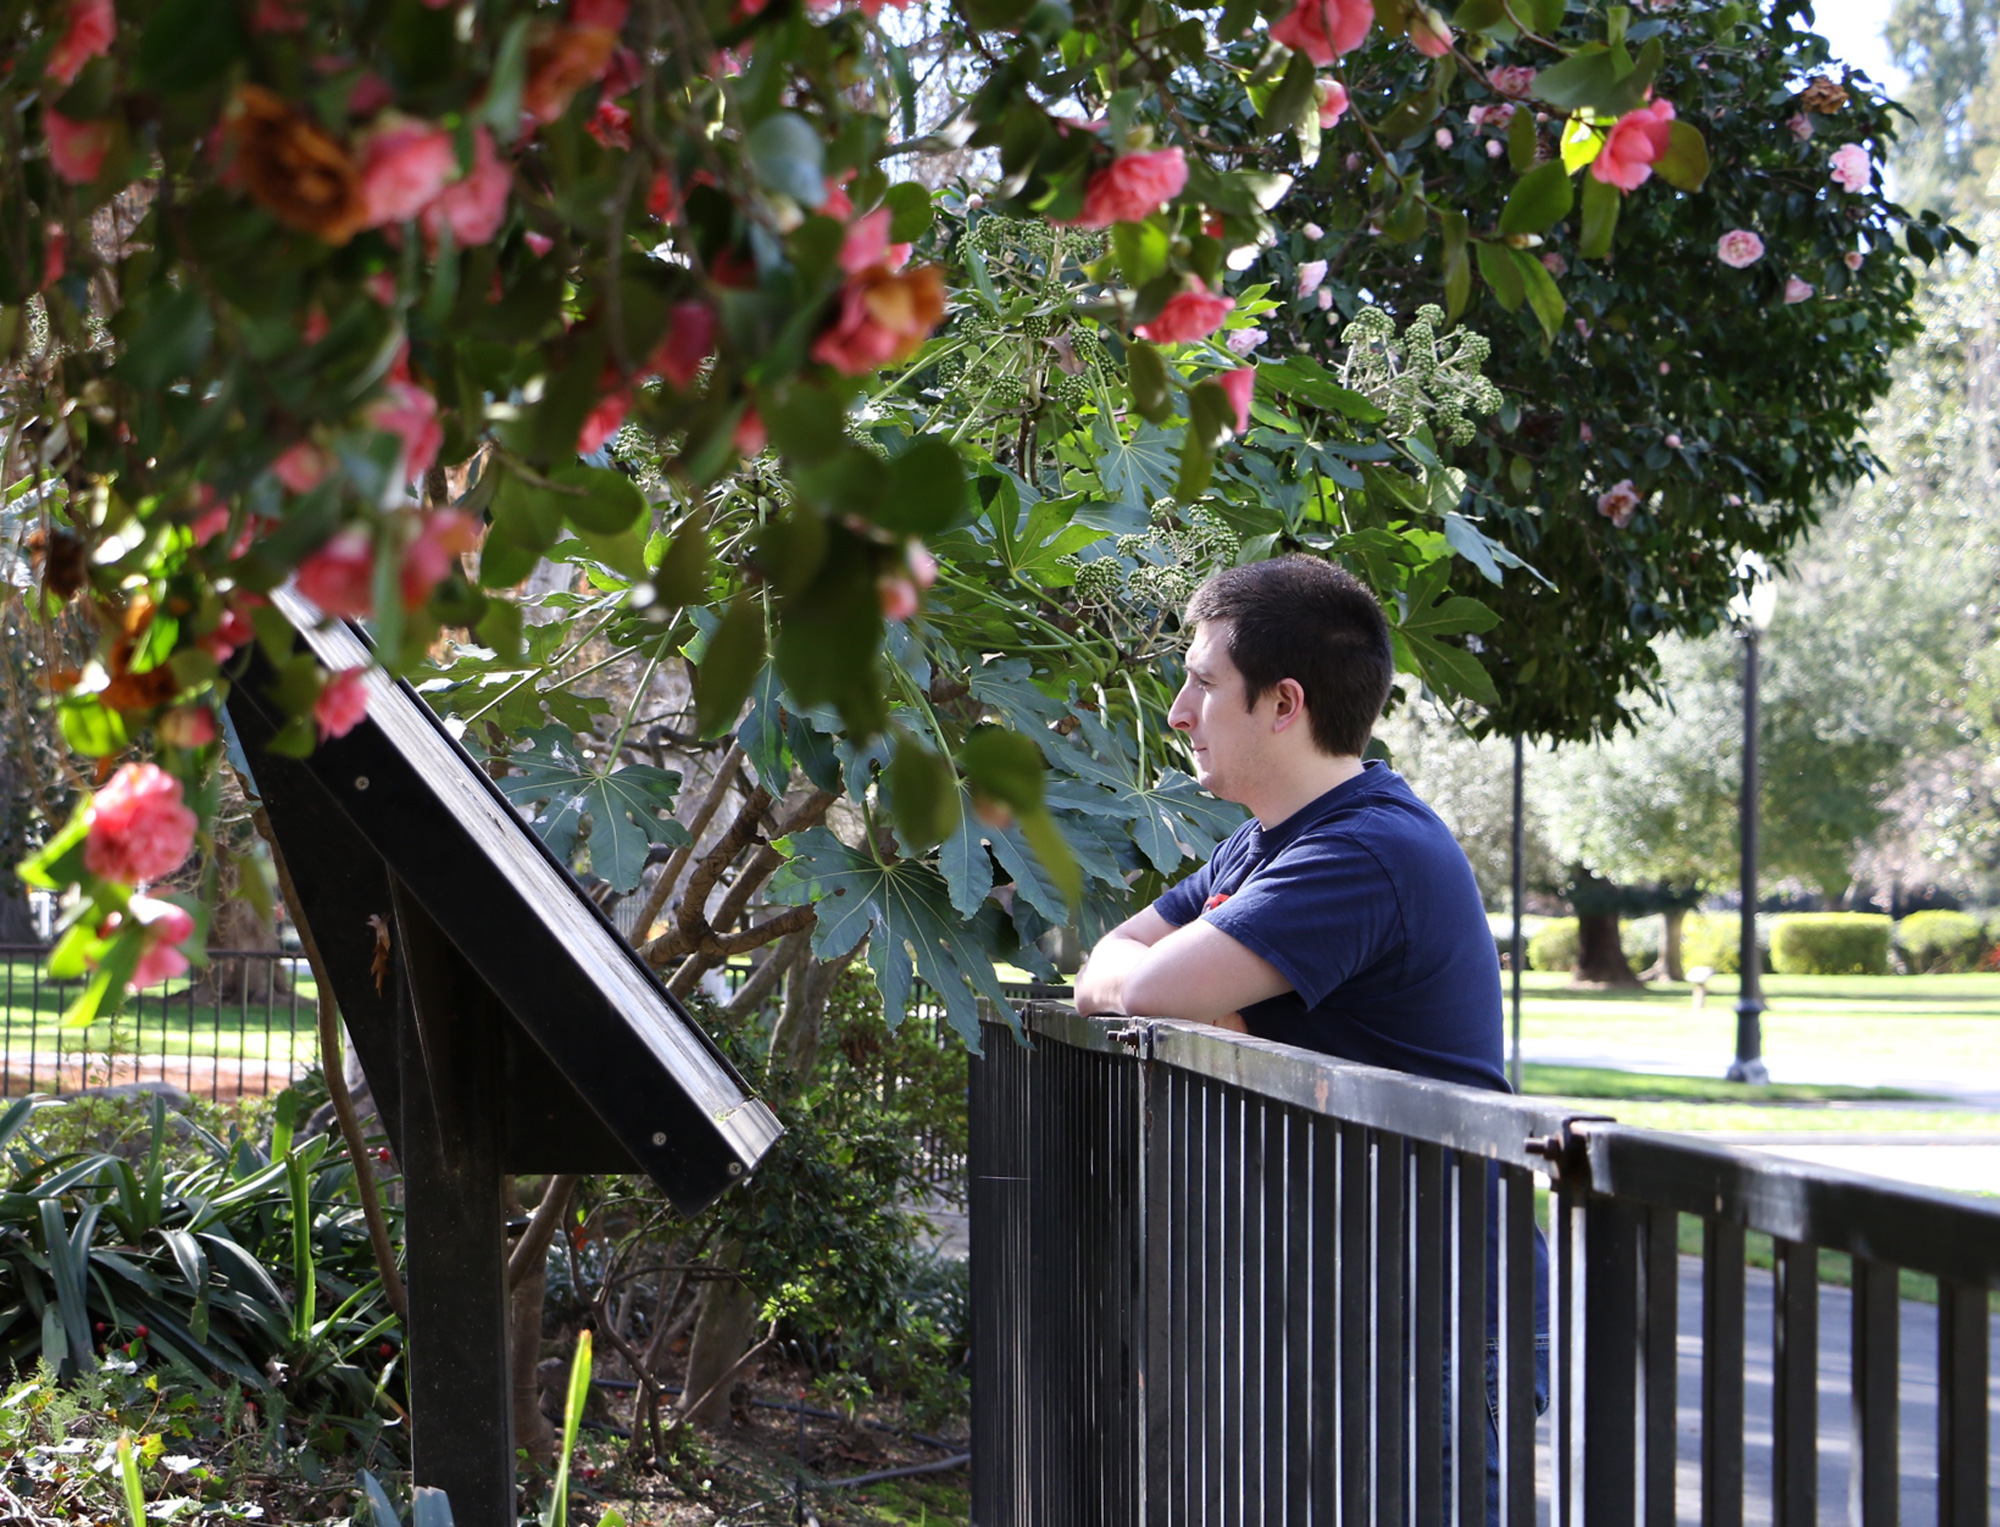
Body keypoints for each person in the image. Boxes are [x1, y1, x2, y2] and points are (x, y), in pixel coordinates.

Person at [1073, 554, 1546, 1520]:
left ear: (1283, 703)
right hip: (1355, 1293)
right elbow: (1104, 969)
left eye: (1204, 683)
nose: (1178, 711)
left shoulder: (1361, 850)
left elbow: (1148, 983)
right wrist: (1196, 999)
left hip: (1430, 1311)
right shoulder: (1265, 843)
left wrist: (1189, 998)